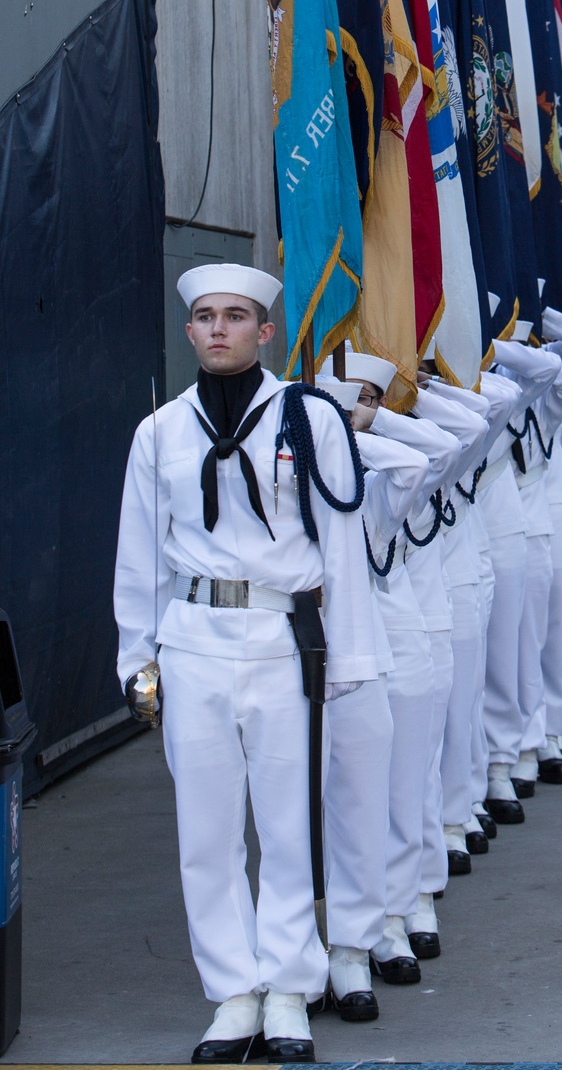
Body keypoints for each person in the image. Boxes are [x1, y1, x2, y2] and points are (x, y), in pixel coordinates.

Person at [114, 265, 383, 1065]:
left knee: (288, 823)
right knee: (205, 828)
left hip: (280, 639)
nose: (219, 329)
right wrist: (138, 658)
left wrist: (351, 661)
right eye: (205, 317)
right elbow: (137, 558)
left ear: (265, 332)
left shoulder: (308, 418)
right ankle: (234, 991)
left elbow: (343, 547)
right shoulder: (159, 432)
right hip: (193, 636)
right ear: (190, 332)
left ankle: (291, 990)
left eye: (236, 316)